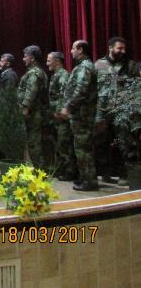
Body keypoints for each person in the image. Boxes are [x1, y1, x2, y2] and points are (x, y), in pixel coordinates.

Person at [95, 37, 139, 183]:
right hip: (102, 110)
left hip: (122, 111)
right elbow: (92, 88)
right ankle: (105, 174)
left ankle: (126, 175)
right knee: (101, 142)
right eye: (119, 48)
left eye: (124, 48)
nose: (123, 51)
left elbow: (137, 87)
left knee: (125, 142)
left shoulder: (130, 66)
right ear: (110, 48)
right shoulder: (98, 65)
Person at [60, 40, 98, 191]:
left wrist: (68, 107)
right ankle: (85, 177)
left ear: (80, 50)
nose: (71, 51)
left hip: (83, 115)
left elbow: (81, 89)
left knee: (83, 149)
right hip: (80, 114)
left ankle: (89, 181)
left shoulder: (85, 67)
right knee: (81, 148)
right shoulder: (82, 66)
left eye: (73, 48)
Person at [17, 45, 48, 169]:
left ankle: (39, 171)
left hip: (33, 113)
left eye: (26, 56)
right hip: (34, 112)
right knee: (33, 143)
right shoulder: (36, 71)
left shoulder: (34, 73)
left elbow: (31, 91)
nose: (23, 59)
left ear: (32, 58)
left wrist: (25, 108)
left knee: (34, 143)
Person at [47, 51, 75, 180]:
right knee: (59, 144)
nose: (47, 64)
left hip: (61, 117)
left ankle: (69, 171)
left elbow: (65, 95)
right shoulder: (56, 75)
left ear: (57, 61)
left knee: (64, 144)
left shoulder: (63, 75)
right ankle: (62, 169)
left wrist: (59, 112)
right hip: (55, 116)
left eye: (49, 61)